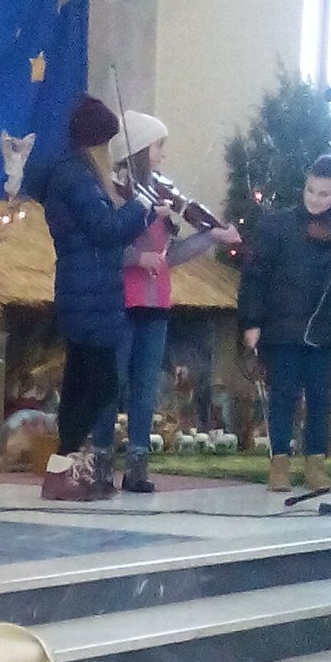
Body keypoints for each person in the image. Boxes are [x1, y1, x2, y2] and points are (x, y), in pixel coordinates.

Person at [24, 95, 163, 502]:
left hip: (85, 289)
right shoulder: (77, 177)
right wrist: (141, 207)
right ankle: (61, 467)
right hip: (90, 292)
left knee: (80, 383)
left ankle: (62, 472)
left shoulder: (73, 174)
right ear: (96, 141)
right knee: (102, 384)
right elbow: (105, 230)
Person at [102, 111, 242, 494]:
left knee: (147, 386)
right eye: (158, 146)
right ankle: (99, 461)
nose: (163, 154)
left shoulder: (160, 197)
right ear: (139, 149)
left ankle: (137, 465)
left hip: (156, 303)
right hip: (121, 300)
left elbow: (171, 255)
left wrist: (212, 236)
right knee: (112, 382)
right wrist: (138, 257)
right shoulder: (114, 194)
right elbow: (105, 246)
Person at [237, 154, 331, 495]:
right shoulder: (276, 226)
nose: (314, 199)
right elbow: (255, 277)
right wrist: (251, 322)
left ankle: (316, 463)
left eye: (324, 194)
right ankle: (279, 463)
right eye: (310, 190)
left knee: (320, 399)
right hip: (282, 328)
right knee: (282, 396)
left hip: (325, 330)